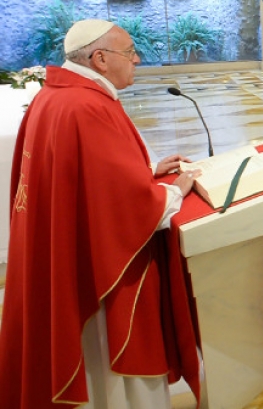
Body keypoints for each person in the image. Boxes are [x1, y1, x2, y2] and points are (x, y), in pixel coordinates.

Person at [0, 20, 201, 408]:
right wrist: (171, 191)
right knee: (110, 373)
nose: (137, 60)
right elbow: (126, 208)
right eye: (130, 52)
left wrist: (145, 172)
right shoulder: (87, 106)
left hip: (68, 252)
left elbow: (86, 178)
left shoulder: (57, 96)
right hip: (100, 271)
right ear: (100, 59)